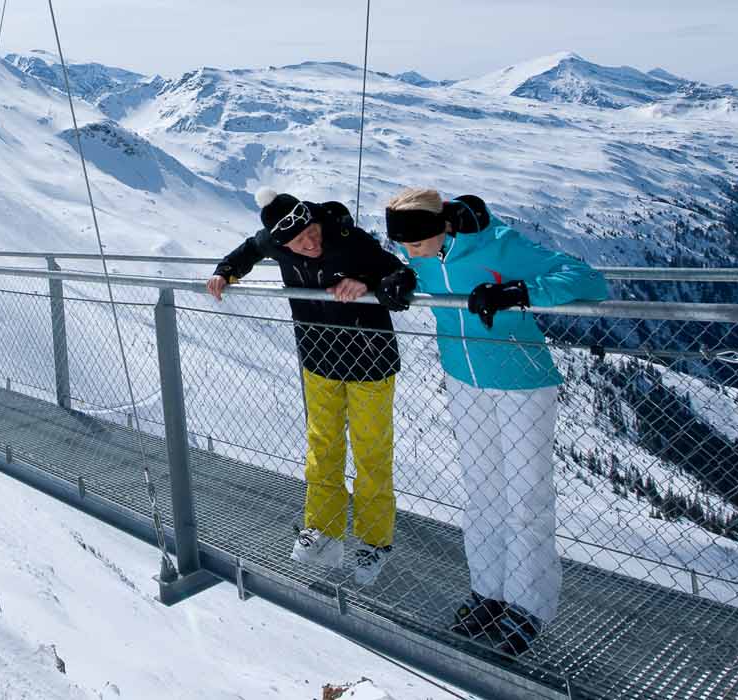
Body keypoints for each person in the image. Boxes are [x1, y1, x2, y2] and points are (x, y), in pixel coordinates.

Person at [382, 187, 607, 656]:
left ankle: (529, 606)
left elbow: (587, 279)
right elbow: (413, 268)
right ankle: (490, 593)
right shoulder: (422, 252)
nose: (409, 251)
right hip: (464, 380)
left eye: (413, 244)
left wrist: (520, 291)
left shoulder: (500, 244)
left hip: (521, 381)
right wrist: (400, 277)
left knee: (526, 498)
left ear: (440, 226)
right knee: (483, 493)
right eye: (402, 245)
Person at [207, 187, 416, 585]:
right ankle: (324, 531)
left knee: (371, 452)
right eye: (301, 240)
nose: (311, 241)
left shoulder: (346, 238)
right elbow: (247, 252)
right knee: (323, 446)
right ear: (282, 242)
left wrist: (371, 284)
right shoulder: (275, 241)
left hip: (369, 359)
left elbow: (401, 273)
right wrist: (224, 271)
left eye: (313, 231)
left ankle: (374, 543)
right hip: (318, 359)